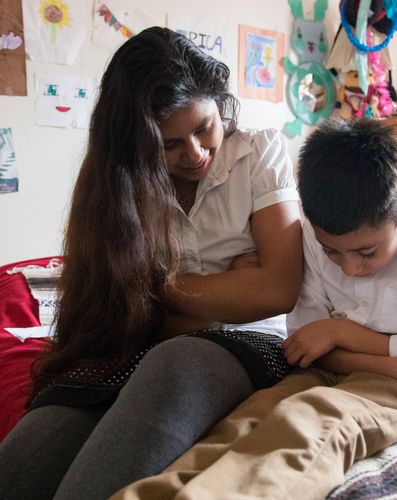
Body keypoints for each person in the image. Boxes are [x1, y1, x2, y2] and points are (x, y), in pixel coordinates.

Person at [0, 27, 303, 500]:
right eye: (170, 144)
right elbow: (112, 307)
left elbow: (279, 290)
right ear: (137, 144)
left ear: (220, 106)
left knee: (175, 359)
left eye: (204, 127)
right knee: (42, 440)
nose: (197, 153)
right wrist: (228, 286)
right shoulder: (116, 184)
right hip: (135, 341)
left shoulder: (259, 151)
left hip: (249, 340)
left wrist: (157, 288)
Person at [110, 119, 397, 500]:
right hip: (334, 367)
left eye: (367, 252)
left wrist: (338, 332)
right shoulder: (311, 235)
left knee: (313, 425)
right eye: (332, 252)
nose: (350, 268)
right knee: (248, 420)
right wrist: (349, 341)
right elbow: (306, 347)